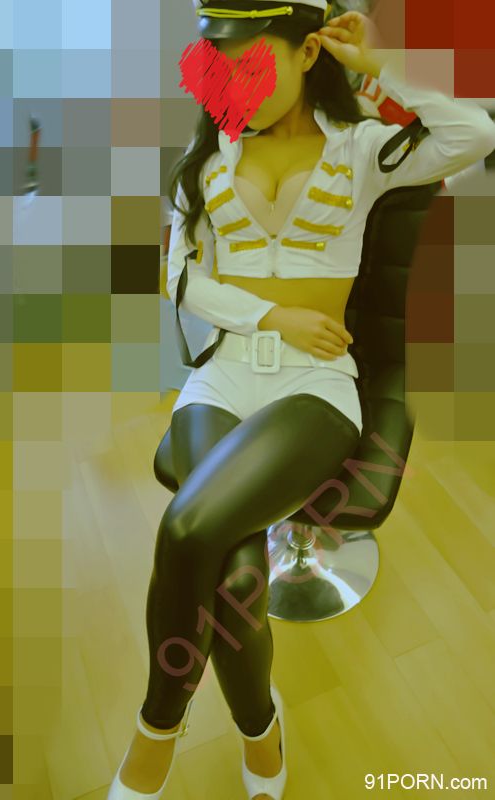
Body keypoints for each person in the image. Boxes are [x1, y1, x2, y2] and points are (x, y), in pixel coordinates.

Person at [108, 2, 495, 799]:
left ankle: (156, 728)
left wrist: (380, 66)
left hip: (313, 388)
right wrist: (270, 316)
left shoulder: (362, 150)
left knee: (187, 528)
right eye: (219, 69)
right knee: (235, 581)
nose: (232, 88)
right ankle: (262, 730)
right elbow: (177, 279)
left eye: (251, 65)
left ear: (307, 51)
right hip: (220, 379)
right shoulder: (202, 160)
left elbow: (473, 134)